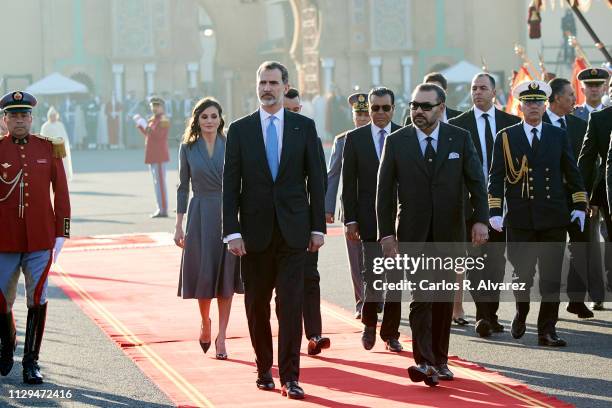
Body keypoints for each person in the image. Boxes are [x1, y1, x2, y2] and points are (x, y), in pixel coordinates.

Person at [223, 61, 325, 400]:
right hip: (253, 236)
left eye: (273, 83)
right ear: (257, 86)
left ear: (285, 86)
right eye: (262, 82)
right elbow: (230, 186)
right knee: (256, 305)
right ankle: (264, 368)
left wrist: (317, 228)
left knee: (291, 306)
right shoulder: (239, 130)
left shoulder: (303, 127)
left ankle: (291, 377)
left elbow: (317, 181)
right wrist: (232, 232)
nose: (267, 88)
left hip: (294, 233)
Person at [377, 83, 489, 386]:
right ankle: (424, 362)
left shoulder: (460, 139)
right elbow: (384, 192)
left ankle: (440, 360)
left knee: (442, 299)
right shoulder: (397, 141)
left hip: (449, 232)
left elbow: (477, 183)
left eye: (425, 106)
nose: (418, 111)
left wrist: (480, 220)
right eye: (414, 105)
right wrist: (386, 234)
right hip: (413, 233)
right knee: (422, 297)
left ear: (441, 108)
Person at [489, 80, 587, 347]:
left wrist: (579, 205)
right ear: (520, 106)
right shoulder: (507, 137)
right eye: (528, 102)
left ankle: (547, 329)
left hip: (553, 216)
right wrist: (495, 211)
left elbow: (572, 172)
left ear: (545, 106)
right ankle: (521, 311)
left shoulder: (558, 135)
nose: (533, 107)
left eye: (538, 102)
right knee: (522, 274)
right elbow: (495, 177)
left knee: (551, 276)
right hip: (520, 218)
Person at [0, 91, 70, 384]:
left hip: (40, 238)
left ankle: (31, 362)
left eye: (24, 115)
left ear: (32, 118)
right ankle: (8, 340)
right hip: (4, 239)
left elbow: (62, 193)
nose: (19, 120)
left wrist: (61, 233)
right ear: (4, 119)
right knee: (2, 300)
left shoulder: (49, 148)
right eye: (13, 115)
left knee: (37, 299)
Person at [449, 73, 521, 337]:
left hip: (502, 205)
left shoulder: (511, 123)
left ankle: (490, 313)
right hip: (471, 204)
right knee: (476, 260)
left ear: (494, 91)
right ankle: (483, 315)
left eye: (482, 88)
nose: (477, 92)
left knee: (497, 263)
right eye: (473, 88)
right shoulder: (457, 125)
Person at [174, 98, 242, 360]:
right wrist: (178, 225)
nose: (210, 121)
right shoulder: (188, 148)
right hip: (200, 215)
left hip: (228, 214)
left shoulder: (232, 145)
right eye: (205, 117)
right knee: (204, 275)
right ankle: (205, 322)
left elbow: (241, 183)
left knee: (226, 277)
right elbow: (183, 187)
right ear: (197, 120)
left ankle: (222, 337)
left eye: (214, 116)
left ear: (220, 119)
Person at [342, 87, 402, 352]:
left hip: (399, 219)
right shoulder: (355, 139)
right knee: (373, 277)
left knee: (396, 279)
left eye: (384, 108)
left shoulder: (405, 135)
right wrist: (350, 219)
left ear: (393, 109)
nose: (379, 113)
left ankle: (391, 333)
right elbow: (349, 184)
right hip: (367, 219)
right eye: (374, 108)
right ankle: (369, 324)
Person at [544, 78, 603, 317]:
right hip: (547, 199)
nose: (574, 99)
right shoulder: (537, 123)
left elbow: (590, 163)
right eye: (569, 95)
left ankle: (576, 299)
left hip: (577, 197)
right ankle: (549, 304)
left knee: (580, 247)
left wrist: (589, 196)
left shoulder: (579, 125)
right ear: (557, 98)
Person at [282, 88, 331, 356]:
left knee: (310, 277)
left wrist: (317, 226)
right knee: (283, 287)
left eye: (296, 110)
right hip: (274, 225)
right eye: (287, 110)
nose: (292, 115)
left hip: (302, 221)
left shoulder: (309, 133)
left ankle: (315, 334)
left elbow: (318, 181)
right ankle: (288, 339)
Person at [325, 93, 370, 319]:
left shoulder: (383, 137)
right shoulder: (343, 140)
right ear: (352, 116)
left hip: (378, 207)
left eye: (365, 114)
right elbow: (332, 175)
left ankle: (376, 298)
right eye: (358, 114)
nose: (362, 118)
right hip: (351, 207)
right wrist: (328, 208)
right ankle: (361, 301)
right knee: (355, 258)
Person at [582, 81, 612, 305]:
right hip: (605, 190)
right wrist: (582, 194)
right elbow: (587, 159)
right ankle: (600, 293)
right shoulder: (600, 119)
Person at [137, 96, 171, 218]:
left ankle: (163, 209)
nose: (154, 108)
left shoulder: (163, 120)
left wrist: (145, 125)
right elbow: (148, 134)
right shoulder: (154, 119)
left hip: (159, 156)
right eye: (153, 106)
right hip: (153, 155)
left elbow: (158, 136)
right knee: (157, 184)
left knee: (160, 184)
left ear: (162, 107)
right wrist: (141, 125)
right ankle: (160, 208)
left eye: (157, 106)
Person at [40, 106, 74, 182]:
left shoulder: (60, 125)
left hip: (60, 149)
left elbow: (64, 137)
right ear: (49, 116)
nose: (53, 117)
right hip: (50, 149)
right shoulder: (45, 126)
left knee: (61, 165)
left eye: (54, 116)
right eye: (51, 116)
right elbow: (43, 139)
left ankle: (62, 179)